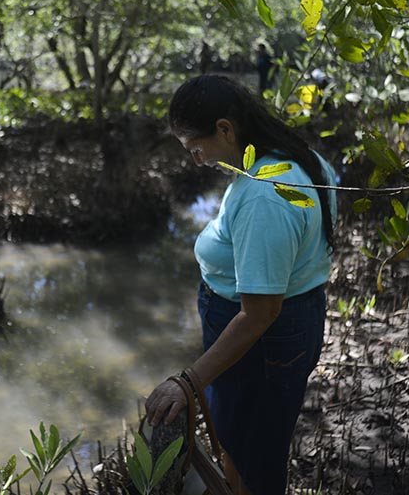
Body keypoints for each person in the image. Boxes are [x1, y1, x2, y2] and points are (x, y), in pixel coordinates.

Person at [144, 74, 336, 495]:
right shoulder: (298, 159)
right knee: (254, 444)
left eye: (196, 148)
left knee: (251, 456)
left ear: (225, 129)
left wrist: (189, 381)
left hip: (261, 341)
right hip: (287, 325)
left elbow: (260, 313)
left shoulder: (265, 195)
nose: (196, 161)